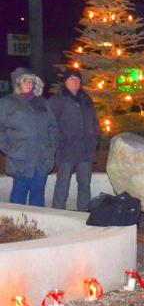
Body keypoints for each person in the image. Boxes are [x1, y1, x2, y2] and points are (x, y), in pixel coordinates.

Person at [0, 67, 57, 206]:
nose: (28, 84)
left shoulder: (42, 102)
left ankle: (37, 226)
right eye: (25, 81)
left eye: (31, 81)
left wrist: (51, 148)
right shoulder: (7, 103)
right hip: (21, 159)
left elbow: (53, 127)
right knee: (19, 194)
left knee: (38, 194)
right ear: (18, 83)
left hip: (41, 159)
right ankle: (15, 226)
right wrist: (10, 149)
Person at [48, 71, 100, 211]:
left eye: (77, 79)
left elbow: (95, 122)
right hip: (66, 150)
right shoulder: (57, 100)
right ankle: (58, 214)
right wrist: (59, 142)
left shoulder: (86, 99)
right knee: (62, 184)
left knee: (84, 184)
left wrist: (94, 139)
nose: (75, 81)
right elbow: (51, 125)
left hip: (85, 151)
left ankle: (83, 215)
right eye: (71, 79)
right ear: (65, 81)